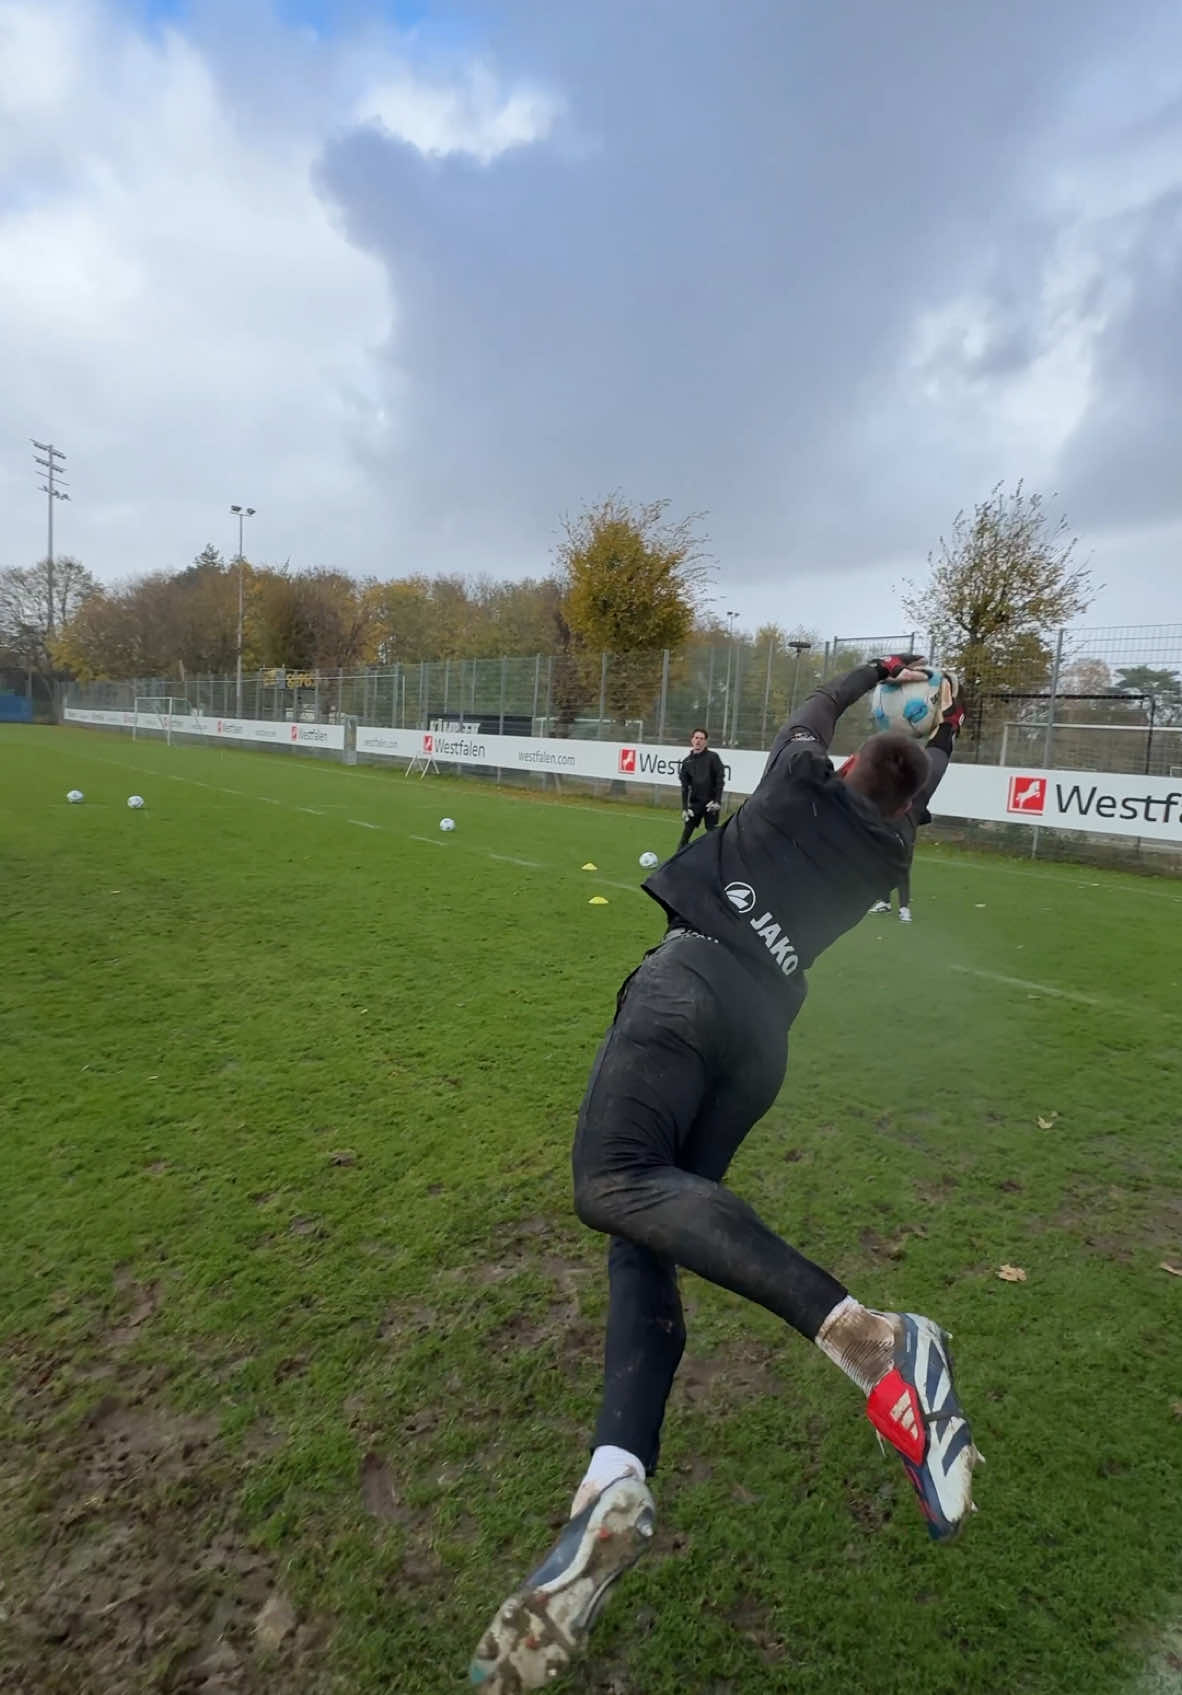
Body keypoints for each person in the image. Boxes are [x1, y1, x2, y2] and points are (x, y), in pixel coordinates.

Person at [469, 656, 978, 1692]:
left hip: (689, 989)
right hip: (763, 1041)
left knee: (608, 1179)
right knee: (649, 1226)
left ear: (842, 767)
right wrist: (947, 732)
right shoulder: (886, 852)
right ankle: (616, 1476)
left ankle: (878, 1341)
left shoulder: (798, 778)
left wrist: (864, 672)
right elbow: (915, 783)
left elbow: (811, 713)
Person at [870, 679, 964, 923]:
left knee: (899, 860)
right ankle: (887, 902)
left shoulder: (945, 729)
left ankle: (901, 907)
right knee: (888, 857)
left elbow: (946, 706)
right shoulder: (941, 742)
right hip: (913, 798)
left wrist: (946, 683)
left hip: (909, 806)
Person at [677, 727, 726, 849]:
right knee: (685, 836)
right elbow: (685, 787)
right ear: (692, 740)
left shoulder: (713, 757)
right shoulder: (687, 762)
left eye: (702, 739)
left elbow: (720, 780)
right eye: (696, 738)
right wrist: (684, 808)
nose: (698, 741)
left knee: (713, 836)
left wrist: (717, 801)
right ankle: (675, 863)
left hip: (710, 804)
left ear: (706, 742)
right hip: (695, 805)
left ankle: (716, 863)